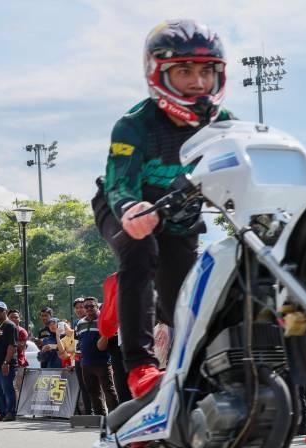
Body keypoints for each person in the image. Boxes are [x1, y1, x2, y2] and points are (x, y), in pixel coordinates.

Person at [94, 19, 234, 399]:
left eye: (206, 70)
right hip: (126, 206)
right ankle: (139, 364)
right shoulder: (134, 125)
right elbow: (118, 182)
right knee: (141, 249)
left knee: (186, 299)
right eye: (185, 70)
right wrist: (129, 207)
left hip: (181, 215)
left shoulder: (225, 124)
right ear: (159, 74)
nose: (197, 81)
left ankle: (195, 376)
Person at [77, 297, 119, 416]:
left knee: (109, 391)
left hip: (103, 362)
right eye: (86, 307)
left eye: (92, 306)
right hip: (86, 363)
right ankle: (100, 417)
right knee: (93, 392)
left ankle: (115, 417)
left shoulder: (104, 320)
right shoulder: (80, 323)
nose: (89, 309)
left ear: (97, 306)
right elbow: (79, 341)